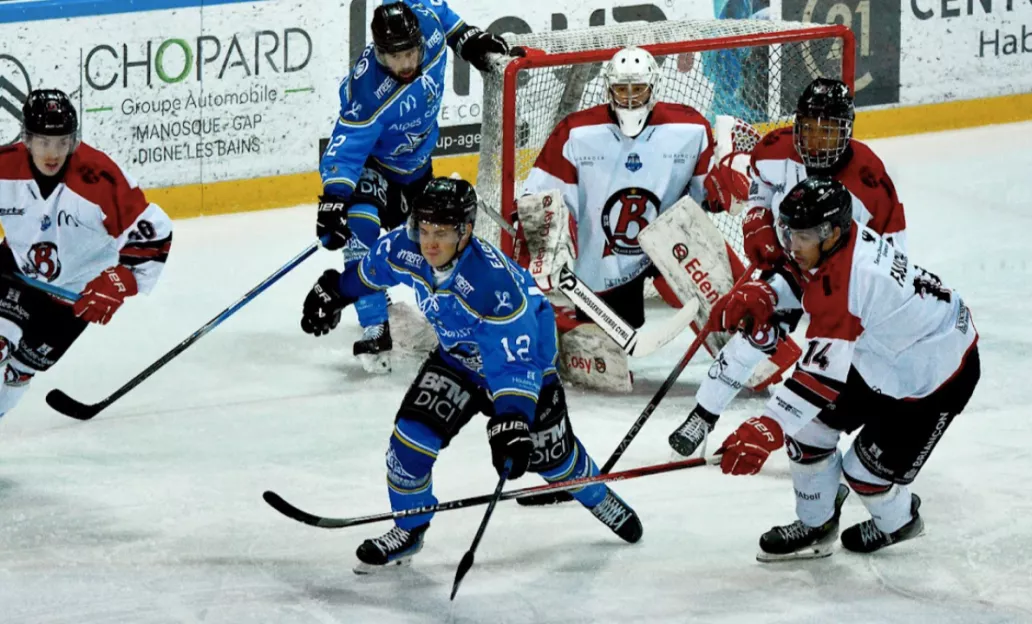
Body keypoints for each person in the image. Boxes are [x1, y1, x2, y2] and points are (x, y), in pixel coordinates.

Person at [299, 177, 643, 570]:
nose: (429, 243)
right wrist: (336, 291)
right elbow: (372, 271)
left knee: (554, 461)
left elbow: (513, 360)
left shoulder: (492, 285)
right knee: (408, 444)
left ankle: (597, 496)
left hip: (527, 368)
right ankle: (409, 530)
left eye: (441, 233)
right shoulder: (405, 246)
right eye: (423, 230)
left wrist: (511, 418)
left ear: (464, 232)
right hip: (458, 360)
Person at [708, 177, 979, 559]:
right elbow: (805, 272)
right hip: (884, 353)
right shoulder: (841, 243)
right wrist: (768, 292)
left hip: (936, 376)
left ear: (830, 232)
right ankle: (817, 525)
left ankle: (899, 522)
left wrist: (766, 427)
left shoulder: (846, 284)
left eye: (802, 236)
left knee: (863, 473)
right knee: (806, 428)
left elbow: (819, 378)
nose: (791, 245)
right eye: (789, 232)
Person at [668, 77, 908, 457]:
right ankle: (704, 413)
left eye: (827, 131)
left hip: (844, 281)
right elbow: (759, 191)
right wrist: (758, 223)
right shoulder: (775, 150)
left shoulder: (870, 182)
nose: (815, 141)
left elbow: (891, 256)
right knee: (755, 331)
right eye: (809, 129)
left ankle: (821, 435)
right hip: (793, 262)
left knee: (837, 362)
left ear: (847, 131)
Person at [515, 45, 748, 392]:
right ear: (608, 89)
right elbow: (540, 200)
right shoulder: (577, 132)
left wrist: (726, 183)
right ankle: (556, 322)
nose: (628, 99)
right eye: (620, 90)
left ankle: (748, 349)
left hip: (669, 245)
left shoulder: (690, 128)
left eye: (636, 90)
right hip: (604, 264)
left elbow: (708, 198)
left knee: (712, 277)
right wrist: (547, 247)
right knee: (602, 368)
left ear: (653, 89)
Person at [315, 0, 520, 374]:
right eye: (396, 58)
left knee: (437, 241)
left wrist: (467, 40)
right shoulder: (368, 92)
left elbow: (443, 16)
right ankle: (374, 325)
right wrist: (334, 199)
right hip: (372, 166)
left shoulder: (425, 23)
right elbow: (345, 148)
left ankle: (464, 318)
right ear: (379, 54)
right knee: (359, 231)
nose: (407, 64)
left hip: (415, 166)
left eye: (411, 52)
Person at [0, 89, 172, 418]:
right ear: (27, 139)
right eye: (44, 142)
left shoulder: (100, 177)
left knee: (18, 372)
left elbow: (154, 230)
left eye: (62, 142)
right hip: (17, 272)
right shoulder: (4, 166)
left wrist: (122, 279)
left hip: (75, 293)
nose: (53, 153)